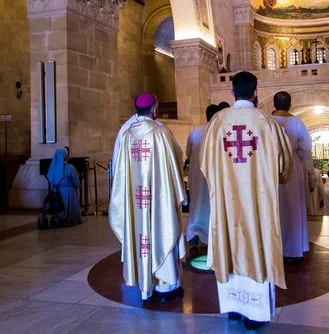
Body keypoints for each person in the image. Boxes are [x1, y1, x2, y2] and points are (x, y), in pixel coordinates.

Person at [200, 71, 293, 333]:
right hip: (258, 203)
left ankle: (233, 308)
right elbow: (284, 168)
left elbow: (205, 164)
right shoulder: (267, 121)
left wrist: (223, 180)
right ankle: (255, 312)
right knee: (258, 242)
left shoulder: (218, 122)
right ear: (255, 92)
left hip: (227, 202)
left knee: (230, 242)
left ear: (232, 92)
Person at [109, 94, 187, 302]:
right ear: (154, 109)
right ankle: (166, 287)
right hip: (159, 198)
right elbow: (177, 159)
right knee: (163, 229)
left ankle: (146, 287)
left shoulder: (126, 134)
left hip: (136, 201)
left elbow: (118, 169)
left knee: (140, 235)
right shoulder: (162, 133)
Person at [272, 91, 312, 263]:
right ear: (290, 105)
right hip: (293, 167)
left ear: (274, 105)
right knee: (293, 208)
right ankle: (294, 251)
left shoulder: (267, 121)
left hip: (271, 167)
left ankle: (274, 250)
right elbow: (306, 148)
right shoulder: (297, 122)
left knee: (274, 208)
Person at [185, 104, 220, 247]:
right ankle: (214, 238)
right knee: (213, 206)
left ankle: (194, 235)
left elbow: (188, 153)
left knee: (197, 206)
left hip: (198, 178)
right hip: (214, 177)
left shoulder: (195, 132)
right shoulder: (219, 132)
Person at [111, 108, 164, 182]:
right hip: (154, 179)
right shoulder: (160, 130)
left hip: (133, 181)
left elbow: (117, 157)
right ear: (154, 110)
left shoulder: (125, 129)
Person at [38, 147, 82, 229]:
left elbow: (51, 179)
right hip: (69, 191)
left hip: (56, 191)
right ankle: (64, 220)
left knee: (57, 207)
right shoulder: (70, 167)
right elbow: (75, 180)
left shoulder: (53, 168)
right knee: (68, 210)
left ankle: (52, 217)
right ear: (66, 156)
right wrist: (77, 187)